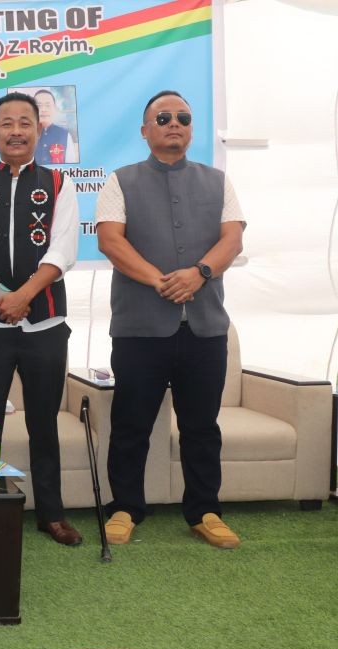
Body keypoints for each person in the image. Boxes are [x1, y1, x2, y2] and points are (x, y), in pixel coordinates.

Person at [95, 90, 245, 549]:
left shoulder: (218, 182)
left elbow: (232, 240)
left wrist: (199, 274)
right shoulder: (119, 181)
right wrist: (160, 280)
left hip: (204, 330)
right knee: (131, 423)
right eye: (163, 117)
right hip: (141, 330)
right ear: (145, 130)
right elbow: (110, 241)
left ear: (191, 128)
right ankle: (125, 508)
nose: (174, 123)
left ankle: (204, 511)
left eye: (183, 117)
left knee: (202, 426)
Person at [0, 92, 82, 546]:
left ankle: (51, 513)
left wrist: (22, 296)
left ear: (40, 131)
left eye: (26, 123)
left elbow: (64, 250)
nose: (16, 131)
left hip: (44, 326)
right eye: (7, 123)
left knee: (44, 423)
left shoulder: (60, 184)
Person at [33, 89, 80, 165]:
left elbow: (71, 167)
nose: (43, 109)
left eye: (48, 105)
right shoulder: (24, 134)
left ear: (54, 108)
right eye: (39, 106)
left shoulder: (65, 135)